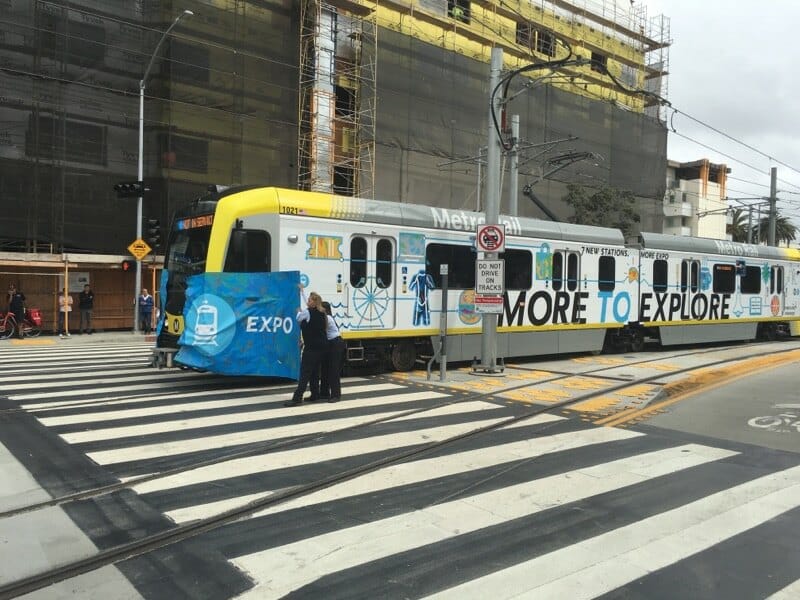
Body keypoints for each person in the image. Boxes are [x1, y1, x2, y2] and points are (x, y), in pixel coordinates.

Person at [285, 286, 328, 407]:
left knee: (305, 372)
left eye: (309, 300)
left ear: (314, 302)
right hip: (322, 347)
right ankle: (315, 394)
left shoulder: (307, 312)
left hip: (312, 348)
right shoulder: (321, 312)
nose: (307, 302)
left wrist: (298, 310)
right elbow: (308, 308)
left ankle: (297, 397)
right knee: (314, 371)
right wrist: (302, 293)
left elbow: (299, 317)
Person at [319, 301, 345, 403]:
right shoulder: (326, 317)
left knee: (333, 370)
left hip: (335, 344)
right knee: (325, 368)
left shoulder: (328, 318)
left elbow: (321, 330)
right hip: (330, 344)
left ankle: (336, 395)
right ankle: (324, 393)